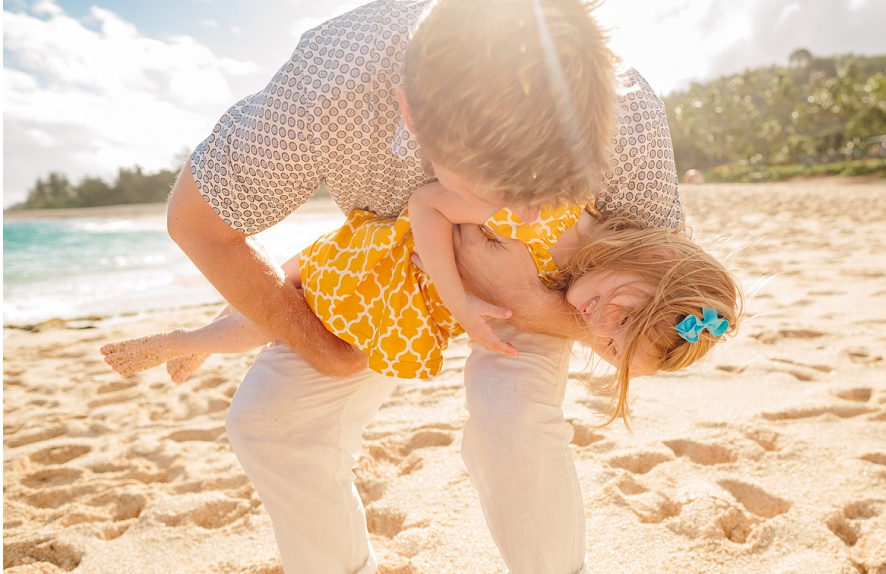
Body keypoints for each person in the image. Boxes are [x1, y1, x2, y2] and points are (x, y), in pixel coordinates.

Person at [142, 0, 690, 574]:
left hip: (551, 290)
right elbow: (197, 225)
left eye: (547, 188)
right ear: (409, 113)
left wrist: (523, 297)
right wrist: (321, 346)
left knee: (511, 422)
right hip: (394, 271)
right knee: (267, 422)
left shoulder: (628, 112)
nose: (519, 213)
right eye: (499, 191)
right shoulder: (330, 86)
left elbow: (654, 318)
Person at [101, 207, 740, 431]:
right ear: (655, 258)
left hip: (399, 278)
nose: (598, 324)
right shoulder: (560, 221)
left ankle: (201, 343)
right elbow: (448, 215)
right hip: (396, 271)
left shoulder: (592, 271)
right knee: (286, 310)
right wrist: (463, 300)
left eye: (609, 343)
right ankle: (188, 340)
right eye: (623, 314)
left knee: (289, 296)